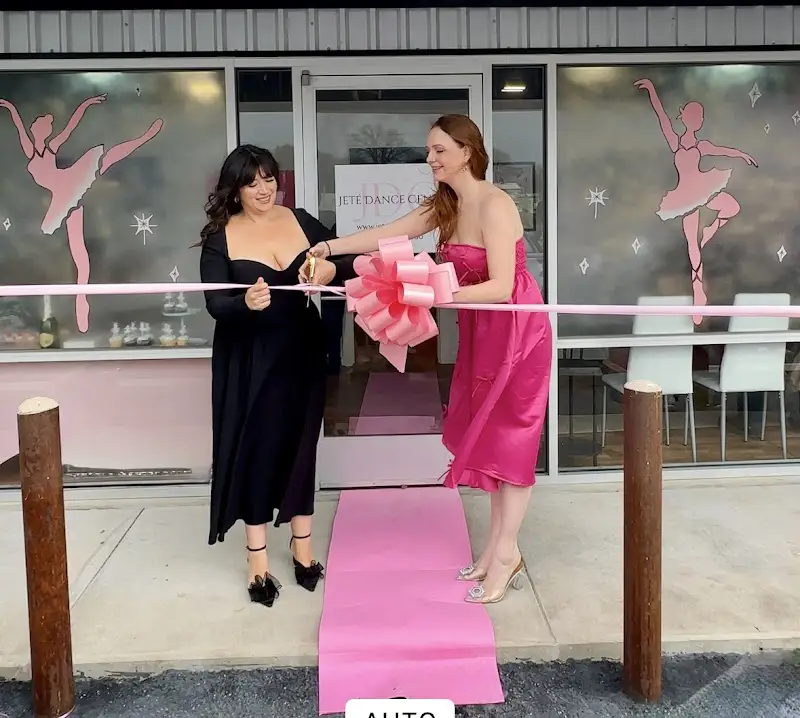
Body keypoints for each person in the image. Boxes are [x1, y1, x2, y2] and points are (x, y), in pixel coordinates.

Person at [302, 115, 552, 604]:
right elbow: (389, 233)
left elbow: (502, 286)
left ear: (467, 151)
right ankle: (498, 550)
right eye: (429, 150)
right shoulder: (445, 204)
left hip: (517, 333)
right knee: (488, 437)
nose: (430, 158)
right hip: (481, 333)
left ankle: (504, 554)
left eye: (439, 149)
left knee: (511, 441)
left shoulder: (495, 204)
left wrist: (433, 294)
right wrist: (328, 246)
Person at [199, 144, 357, 607]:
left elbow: (346, 262)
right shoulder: (220, 236)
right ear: (235, 189)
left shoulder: (301, 220)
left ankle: (303, 547)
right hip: (249, 357)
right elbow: (215, 303)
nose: (264, 189)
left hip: (302, 350)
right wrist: (244, 303)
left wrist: (328, 268)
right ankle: (257, 559)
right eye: (252, 183)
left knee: (301, 444)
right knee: (257, 448)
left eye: (268, 179)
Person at [0, 93, 163, 332]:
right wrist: (9, 108)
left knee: (106, 159)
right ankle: (76, 299)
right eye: (38, 124)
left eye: (41, 124)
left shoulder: (52, 146)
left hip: (70, 184)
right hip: (61, 194)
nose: (38, 126)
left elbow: (70, 127)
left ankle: (81, 300)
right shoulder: (31, 147)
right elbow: (18, 126)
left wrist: (86, 104)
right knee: (73, 250)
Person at [634, 78, 757, 325]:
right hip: (687, 196)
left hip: (702, 188)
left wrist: (742, 155)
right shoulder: (675, 141)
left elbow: (723, 150)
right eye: (696, 116)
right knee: (693, 245)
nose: (699, 121)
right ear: (686, 118)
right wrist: (651, 90)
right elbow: (662, 117)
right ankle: (698, 292)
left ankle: (710, 230)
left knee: (732, 207)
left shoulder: (702, 145)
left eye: (700, 117)